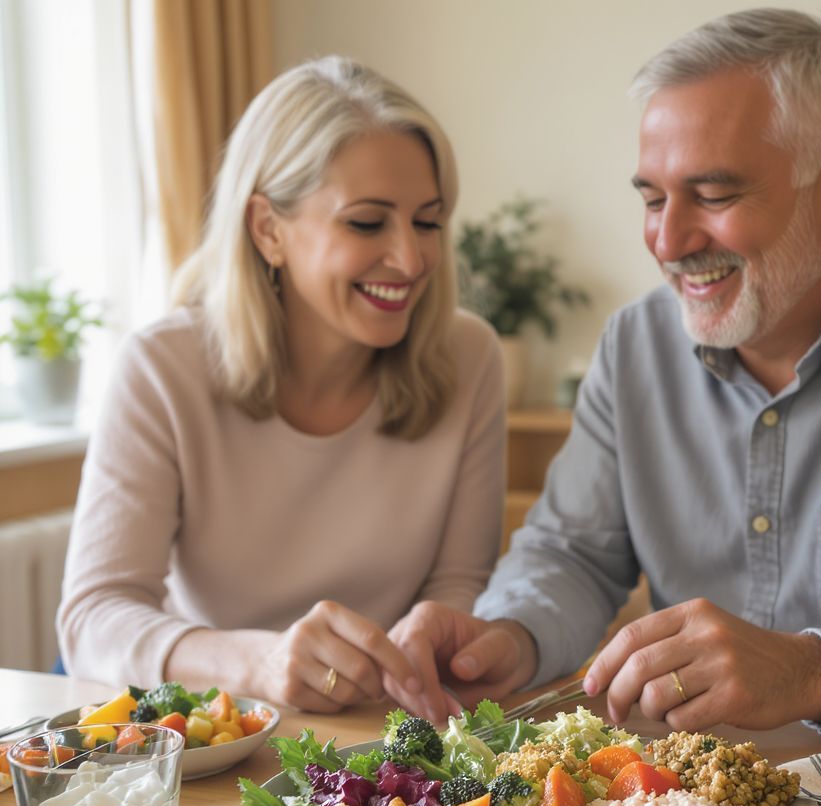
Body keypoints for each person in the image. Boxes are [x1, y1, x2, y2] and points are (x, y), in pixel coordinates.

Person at [386, 8, 821, 740]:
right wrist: (509, 634)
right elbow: (572, 552)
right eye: (652, 199)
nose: (667, 239)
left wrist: (813, 669)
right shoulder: (634, 344)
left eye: (714, 196)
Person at [58, 58, 505, 717]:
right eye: (366, 222)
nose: (411, 260)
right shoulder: (162, 366)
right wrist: (257, 663)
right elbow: (93, 617)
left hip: (376, 732)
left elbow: (458, 585)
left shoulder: (469, 357)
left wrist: (421, 658)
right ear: (268, 228)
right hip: (214, 728)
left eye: (428, 222)